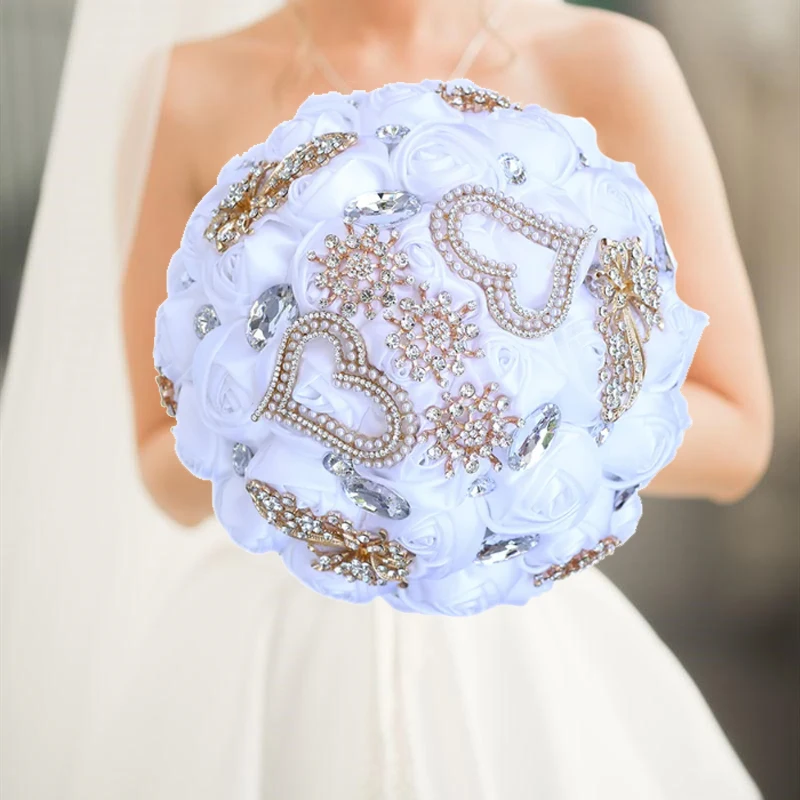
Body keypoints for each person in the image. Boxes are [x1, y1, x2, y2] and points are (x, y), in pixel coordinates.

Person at [0, 1, 771, 798]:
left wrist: (503, 457)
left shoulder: (608, 58)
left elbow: (738, 432)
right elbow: (163, 458)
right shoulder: (188, 85)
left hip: (511, 646)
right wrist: (320, 455)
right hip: (272, 652)